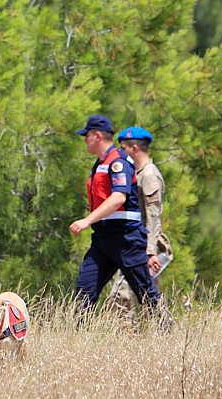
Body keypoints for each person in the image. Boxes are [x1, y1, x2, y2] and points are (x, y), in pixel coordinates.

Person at [69, 115, 170, 330]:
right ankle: (77, 338)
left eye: (87, 135)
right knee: (85, 290)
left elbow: (119, 198)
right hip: (103, 239)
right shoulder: (100, 164)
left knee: (145, 292)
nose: (85, 140)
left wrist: (86, 221)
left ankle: (167, 331)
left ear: (97, 136)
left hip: (126, 239)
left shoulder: (118, 163)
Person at [109, 126, 173, 324]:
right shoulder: (138, 173)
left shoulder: (149, 176)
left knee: (121, 296)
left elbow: (154, 217)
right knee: (147, 298)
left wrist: (150, 251)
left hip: (144, 247)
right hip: (136, 244)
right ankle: (163, 335)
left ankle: (127, 340)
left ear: (134, 148)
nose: (120, 153)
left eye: (123, 148)